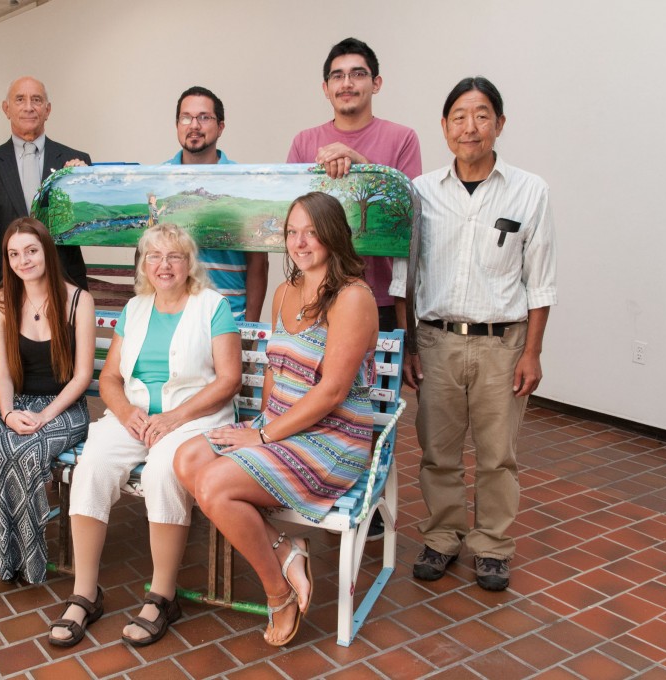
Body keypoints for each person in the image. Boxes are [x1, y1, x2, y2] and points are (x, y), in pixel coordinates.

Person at [175, 192, 379, 647]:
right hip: (280, 425)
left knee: (213, 485)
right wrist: (261, 424)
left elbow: (332, 392)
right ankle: (285, 547)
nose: (300, 242)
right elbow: (274, 371)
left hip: (332, 438)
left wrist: (262, 436)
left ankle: (278, 593)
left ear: (333, 236)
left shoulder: (353, 298)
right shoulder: (285, 291)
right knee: (188, 460)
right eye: (292, 232)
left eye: (311, 232)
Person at [390, 77, 557, 592]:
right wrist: (410, 343)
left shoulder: (531, 191)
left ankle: (492, 546)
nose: (470, 127)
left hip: (502, 344)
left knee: (497, 454)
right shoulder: (420, 193)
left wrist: (532, 352)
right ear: (444, 128)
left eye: (482, 115)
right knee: (437, 451)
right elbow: (404, 277)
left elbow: (540, 283)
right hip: (436, 342)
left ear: (499, 124)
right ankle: (442, 537)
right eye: (459, 116)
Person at [48, 224, 241, 648]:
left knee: (161, 473)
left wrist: (174, 417)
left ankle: (162, 596)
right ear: (143, 264)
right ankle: (85, 593)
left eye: (173, 256)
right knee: (93, 466)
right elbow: (111, 376)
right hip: (137, 417)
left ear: (188, 263)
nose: (163, 265)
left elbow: (229, 380)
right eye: (153, 256)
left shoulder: (212, 306)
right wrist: (124, 412)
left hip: (194, 418)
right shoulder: (134, 308)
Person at [287, 36, 421, 541]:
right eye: (339, 75)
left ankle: (370, 506)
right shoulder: (305, 141)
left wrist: (356, 161)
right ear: (325, 87)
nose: (348, 83)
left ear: (376, 83)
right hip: (314, 301)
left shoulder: (402, 138)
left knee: (371, 411)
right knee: (313, 397)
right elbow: (296, 216)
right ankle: (314, 488)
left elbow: (404, 211)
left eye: (358, 74)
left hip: (378, 301)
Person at [0, 217, 96, 583]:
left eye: (31, 251)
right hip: (17, 404)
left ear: (46, 251)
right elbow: (1, 372)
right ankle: (7, 556)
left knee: (29, 453)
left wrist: (45, 415)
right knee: (3, 450)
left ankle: (30, 559)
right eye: (14, 254)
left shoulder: (78, 300)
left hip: (64, 406)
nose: (23, 260)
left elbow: (82, 376)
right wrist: (9, 412)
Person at [0, 76, 91, 294]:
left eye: (36, 100)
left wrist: (83, 184)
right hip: (6, 289)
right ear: (6, 109)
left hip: (65, 286)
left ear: (48, 110)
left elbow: (88, 225)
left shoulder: (76, 162)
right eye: (20, 100)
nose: (28, 107)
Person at [166, 86, 268, 322]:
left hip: (229, 317)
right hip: (170, 316)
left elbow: (258, 263)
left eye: (204, 117)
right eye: (186, 117)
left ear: (220, 127)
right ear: (177, 125)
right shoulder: (157, 180)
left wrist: (249, 329)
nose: (194, 125)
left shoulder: (244, 182)